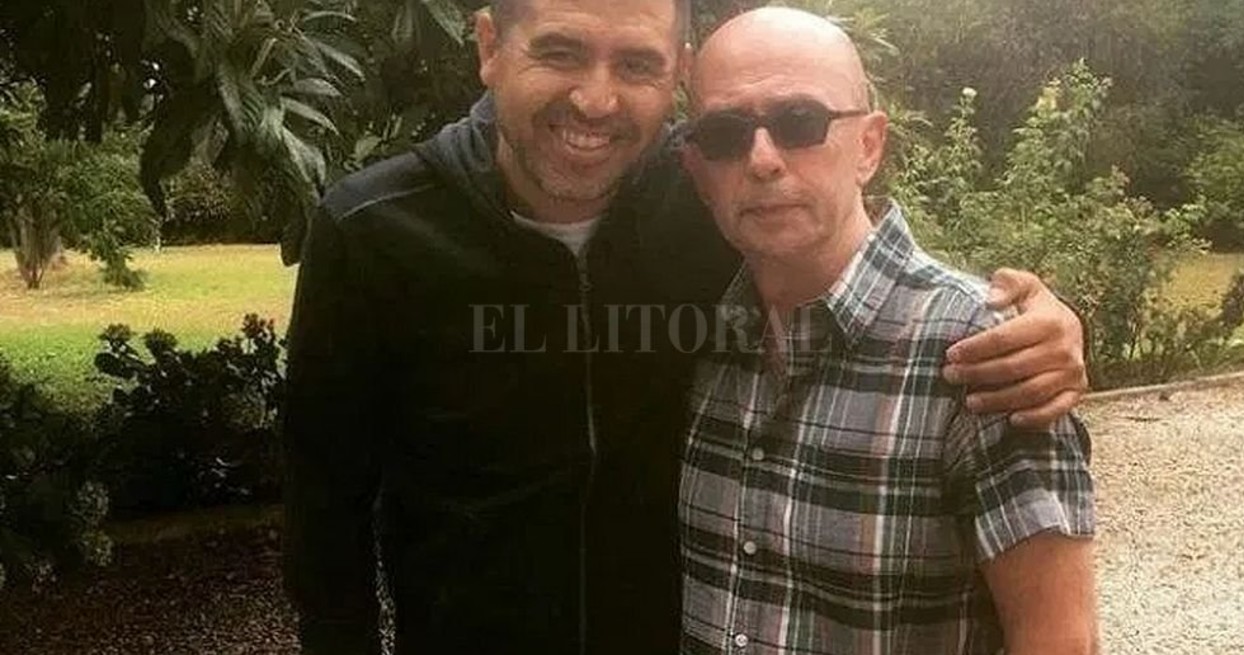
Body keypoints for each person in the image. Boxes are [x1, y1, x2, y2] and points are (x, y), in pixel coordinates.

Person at [279, 0, 1089, 653]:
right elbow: (325, 517)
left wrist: (1038, 318)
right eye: (560, 51)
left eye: (637, 64)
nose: (596, 100)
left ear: (677, 74)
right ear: (490, 48)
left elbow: (847, 251)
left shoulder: (709, 195)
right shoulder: (374, 232)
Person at [676, 8, 1097, 655]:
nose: (762, 159)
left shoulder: (981, 354)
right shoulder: (698, 335)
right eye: (725, 134)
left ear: (869, 146)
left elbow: (1060, 641)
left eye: (800, 122)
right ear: (698, 171)